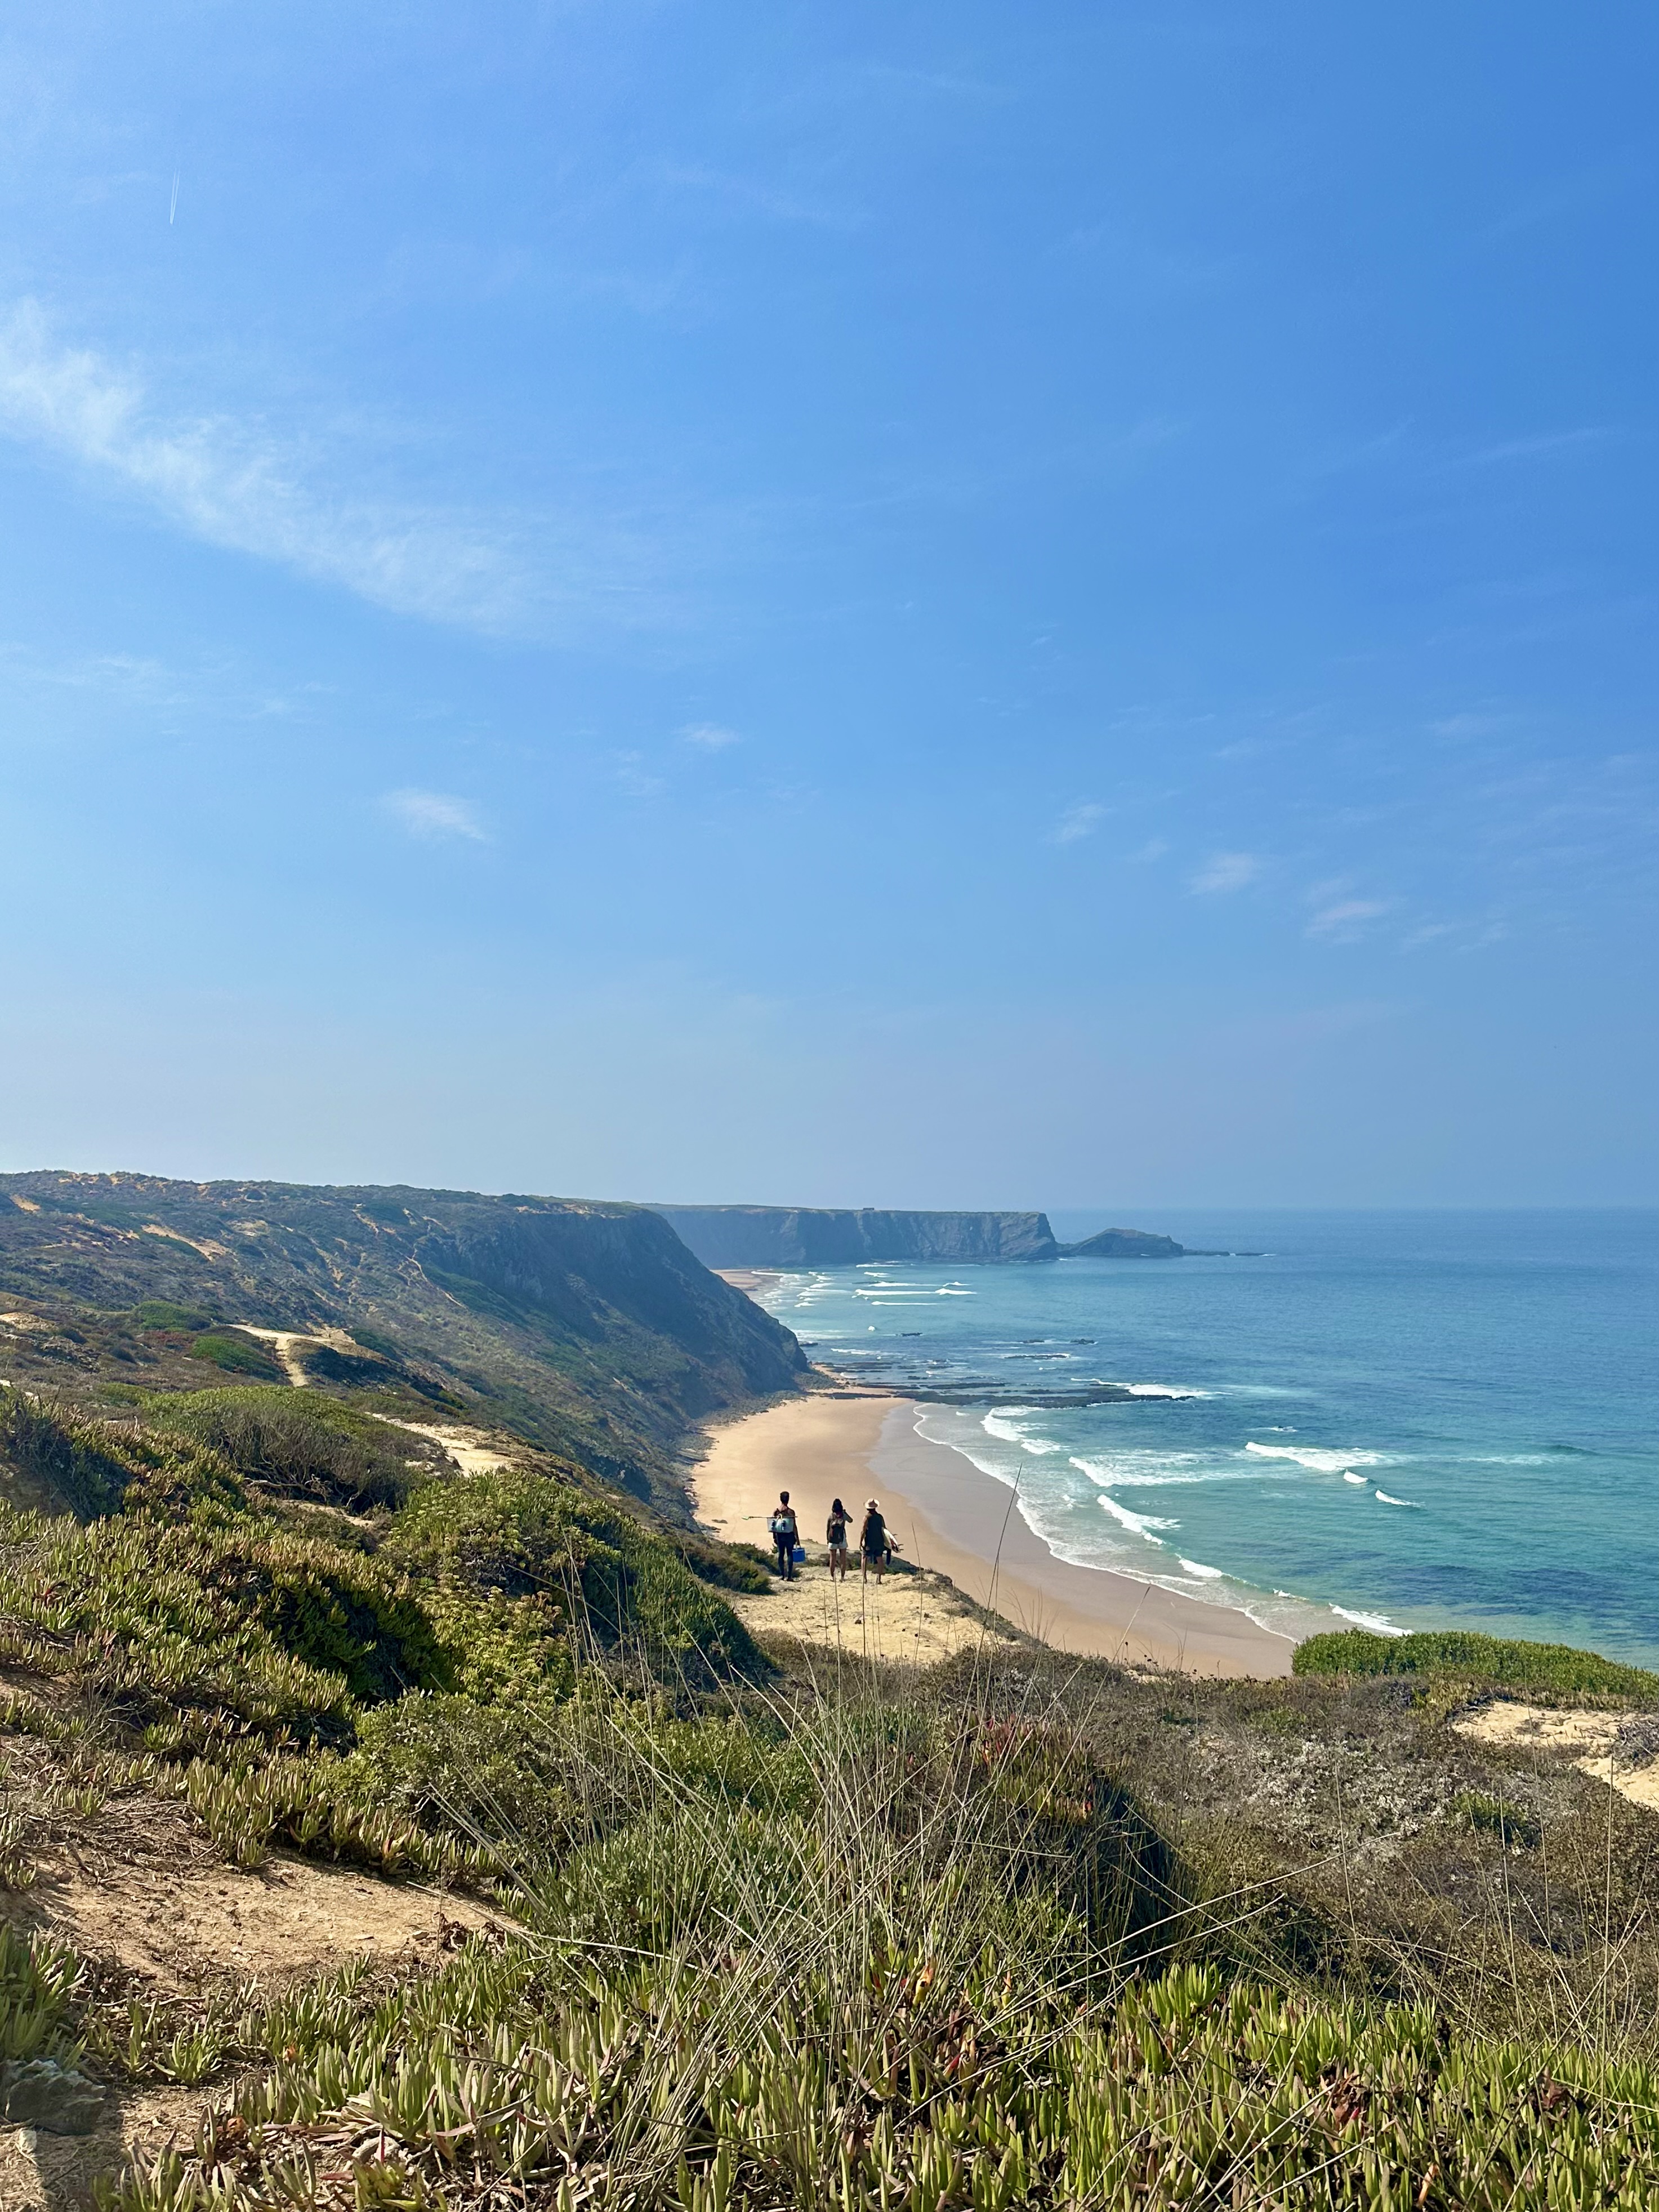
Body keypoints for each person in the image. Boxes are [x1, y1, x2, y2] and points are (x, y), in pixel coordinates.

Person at [768, 1491, 800, 1580]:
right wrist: (797, 1537)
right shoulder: (791, 1512)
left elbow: (773, 1525)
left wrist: (774, 1536)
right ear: (788, 1499)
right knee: (790, 1554)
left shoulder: (776, 1511)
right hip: (789, 1535)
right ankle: (789, 1576)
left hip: (779, 1535)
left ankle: (782, 1575)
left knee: (781, 1554)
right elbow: (794, 1526)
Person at [859, 1497, 889, 1583]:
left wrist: (861, 1541)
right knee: (879, 1559)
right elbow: (884, 1529)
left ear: (867, 1508)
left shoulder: (867, 1517)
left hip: (869, 1542)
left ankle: (864, 1578)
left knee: (864, 1557)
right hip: (879, 1542)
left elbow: (863, 1531)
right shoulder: (880, 1517)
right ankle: (879, 1579)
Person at [826, 1496, 850, 1579]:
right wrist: (845, 1513)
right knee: (843, 1558)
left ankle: (833, 1577)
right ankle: (842, 1577)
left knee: (832, 1558)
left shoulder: (831, 1516)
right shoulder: (843, 1516)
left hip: (832, 1539)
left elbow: (828, 1529)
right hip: (842, 1539)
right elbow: (851, 1520)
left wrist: (828, 1540)